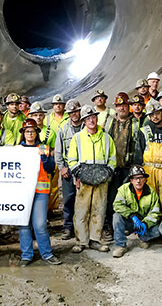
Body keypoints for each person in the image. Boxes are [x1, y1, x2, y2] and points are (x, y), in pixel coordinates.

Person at [66, 105, 116, 253]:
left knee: (99, 209)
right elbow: (72, 159)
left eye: (93, 117)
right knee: (81, 210)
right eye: (88, 118)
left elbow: (112, 158)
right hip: (84, 179)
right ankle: (81, 241)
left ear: (96, 118)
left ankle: (95, 239)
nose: (91, 120)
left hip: (102, 179)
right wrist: (79, 174)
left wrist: (108, 173)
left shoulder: (106, 138)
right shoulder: (78, 138)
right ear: (84, 121)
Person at [18, 119, 61, 266]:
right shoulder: (18, 149)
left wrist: (44, 158)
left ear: (37, 132)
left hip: (40, 191)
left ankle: (47, 254)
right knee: (24, 224)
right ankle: (26, 255)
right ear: (23, 133)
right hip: (23, 192)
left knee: (40, 225)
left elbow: (50, 169)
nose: (30, 133)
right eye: (27, 131)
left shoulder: (43, 147)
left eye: (32, 131)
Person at [103, 92, 136, 240]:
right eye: (119, 105)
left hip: (128, 167)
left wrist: (135, 166)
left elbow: (139, 145)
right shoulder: (109, 123)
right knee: (111, 198)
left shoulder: (134, 123)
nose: (122, 108)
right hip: (112, 168)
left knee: (129, 198)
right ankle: (111, 225)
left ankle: (127, 225)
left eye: (124, 105)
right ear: (115, 107)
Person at [111, 165, 162, 257]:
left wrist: (145, 223)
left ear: (145, 179)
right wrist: (132, 216)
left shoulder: (151, 192)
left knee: (159, 230)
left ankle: (143, 238)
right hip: (130, 221)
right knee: (116, 216)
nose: (138, 181)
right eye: (135, 178)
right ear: (131, 180)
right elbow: (117, 205)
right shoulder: (123, 189)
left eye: (141, 178)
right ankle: (120, 246)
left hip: (143, 223)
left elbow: (155, 212)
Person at [54, 99, 83, 240]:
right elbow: (58, 151)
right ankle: (68, 227)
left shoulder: (86, 126)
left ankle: (82, 228)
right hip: (68, 169)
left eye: (76, 111)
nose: (74, 114)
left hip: (83, 169)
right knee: (68, 199)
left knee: (83, 199)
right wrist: (61, 167)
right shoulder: (64, 128)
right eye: (71, 112)